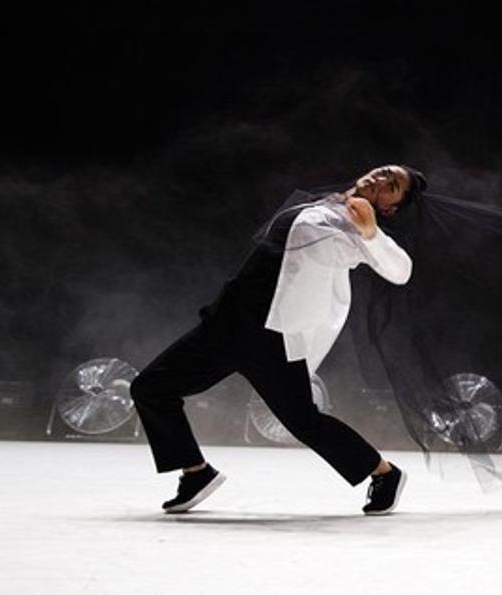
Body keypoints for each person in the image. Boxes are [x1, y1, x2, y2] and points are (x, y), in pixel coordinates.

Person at [130, 164, 428, 514]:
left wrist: (371, 232)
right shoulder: (324, 205)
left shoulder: (357, 232)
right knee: (150, 388)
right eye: (383, 172)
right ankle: (195, 472)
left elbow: (401, 271)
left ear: (390, 206)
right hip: (227, 324)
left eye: (391, 185)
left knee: (304, 421)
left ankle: (384, 474)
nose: (380, 180)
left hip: (270, 339)